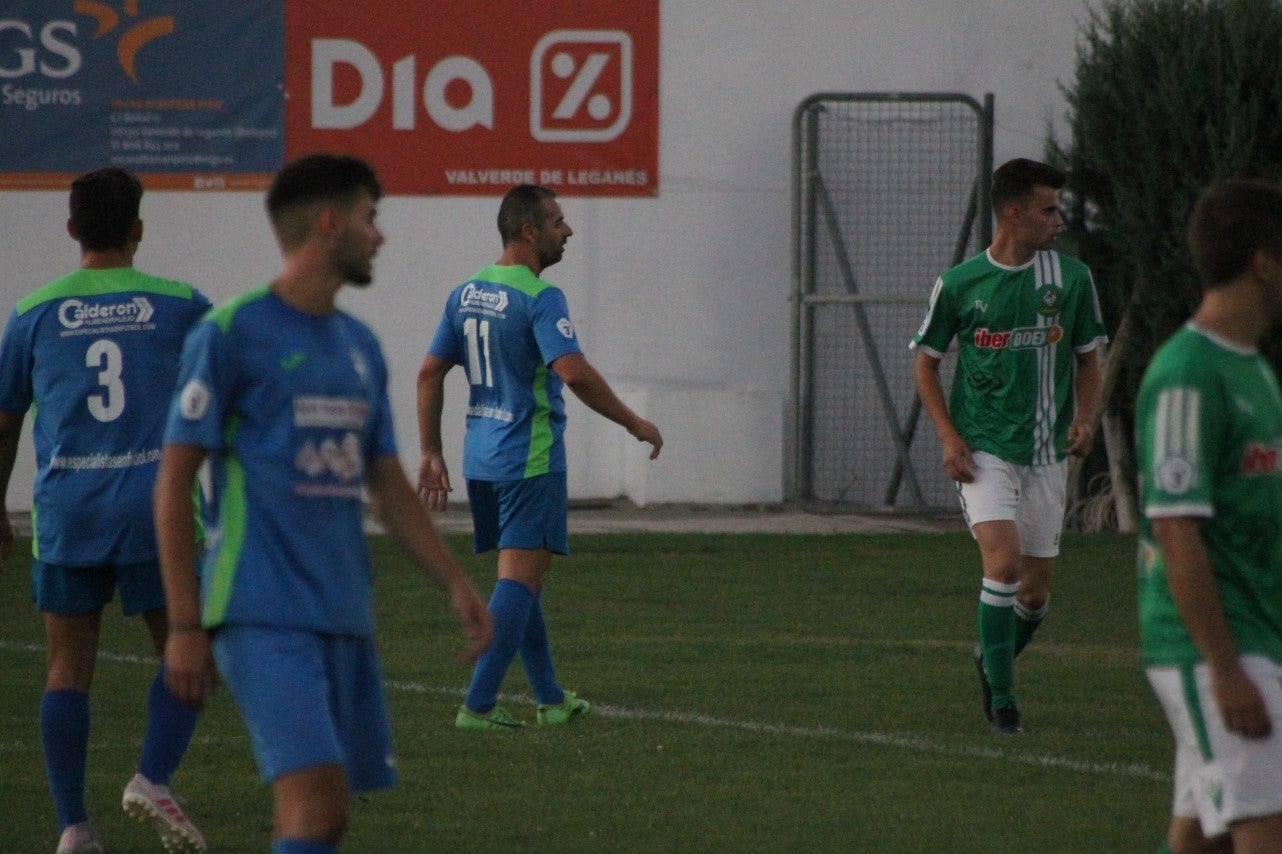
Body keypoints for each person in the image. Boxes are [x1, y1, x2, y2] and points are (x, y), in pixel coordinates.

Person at [153, 153, 492, 853]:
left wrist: (454, 582)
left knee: (327, 816)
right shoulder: (231, 333)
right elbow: (173, 478)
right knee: (312, 810)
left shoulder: (358, 344)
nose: (381, 236)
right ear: (330, 223)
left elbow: (387, 483)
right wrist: (185, 624)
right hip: (259, 608)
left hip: (341, 611)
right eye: (372, 218)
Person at [0, 167, 211, 853]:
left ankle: (73, 828)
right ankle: (152, 777)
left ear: (70, 229)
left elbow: (4, 424)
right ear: (138, 230)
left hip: (70, 510)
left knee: (67, 667)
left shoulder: (32, 314)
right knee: (185, 652)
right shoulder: (181, 305)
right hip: (157, 513)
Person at [418, 183, 663, 730]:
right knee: (519, 583)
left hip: (480, 458)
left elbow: (429, 371)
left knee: (526, 580)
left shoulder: (464, 293)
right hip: (528, 458)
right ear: (528, 232)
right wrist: (633, 422)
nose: (567, 230)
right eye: (556, 221)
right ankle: (477, 706)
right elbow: (571, 371)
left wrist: (430, 450)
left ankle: (550, 699)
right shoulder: (540, 297)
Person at [911, 158, 1107, 734]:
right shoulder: (961, 283)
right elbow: (926, 364)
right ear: (1014, 214)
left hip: (1047, 452)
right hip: (983, 449)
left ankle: (989, 655)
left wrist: (1086, 417)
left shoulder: (1071, 280)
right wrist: (949, 436)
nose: (1059, 220)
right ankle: (1003, 702)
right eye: (1049, 209)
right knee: (1003, 564)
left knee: (1036, 596)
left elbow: (1087, 359)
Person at [1137, 180, 1282, 854]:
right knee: (1263, 832)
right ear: (1264, 262)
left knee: (1200, 841)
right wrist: (1225, 670)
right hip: (1215, 650)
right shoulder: (1187, 374)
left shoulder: (1253, 371)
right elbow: (1175, 529)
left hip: (1255, 637)